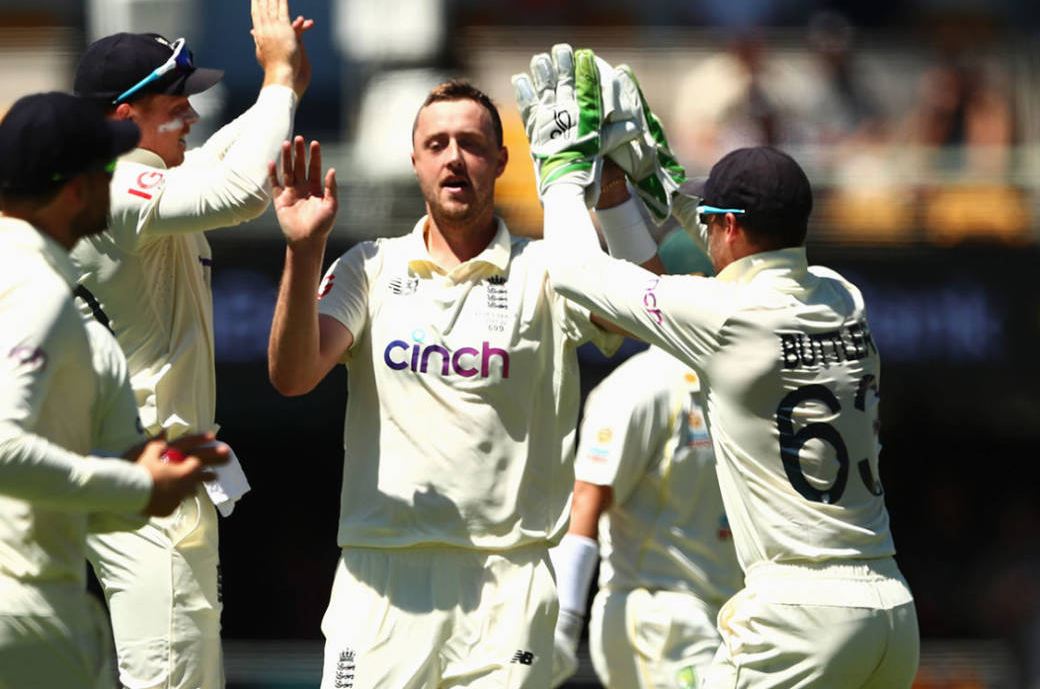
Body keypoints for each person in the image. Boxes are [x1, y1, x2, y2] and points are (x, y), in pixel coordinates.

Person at [517, 46, 920, 688]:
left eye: (709, 220)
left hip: (798, 616)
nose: (701, 231)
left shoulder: (727, 319)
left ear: (729, 226)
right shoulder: (844, 297)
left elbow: (573, 271)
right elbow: (733, 250)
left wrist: (562, 168)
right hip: (891, 612)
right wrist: (662, 183)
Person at [266, 70, 644, 687]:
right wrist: (304, 250)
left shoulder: (548, 268)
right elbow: (292, 377)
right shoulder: (369, 266)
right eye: (437, 144)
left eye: (470, 144)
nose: (454, 158)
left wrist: (608, 193)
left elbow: (637, 307)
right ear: (414, 161)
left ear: (500, 160)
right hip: (381, 576)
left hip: (509, 580)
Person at [0, 92, 230, 688]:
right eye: (104, 170)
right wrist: (140, 484)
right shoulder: (30, 293)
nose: (117, 182)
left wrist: (149, 485)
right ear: (77, 191)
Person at [68, 0, 312, 688]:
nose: (191, 110)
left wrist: (285, 80)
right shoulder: (117, 188)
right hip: (143, 487)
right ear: (120, 118)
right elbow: (242, 190)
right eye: (172, 100)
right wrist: (274, 82)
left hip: (147, 480)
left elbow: (229, 158)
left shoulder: (136, 180)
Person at [549, 238, 743, 689]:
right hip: (658, 616)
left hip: (724, 617)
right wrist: (563, 621)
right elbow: (586, 500)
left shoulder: (731, 386)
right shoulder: (640, 387)